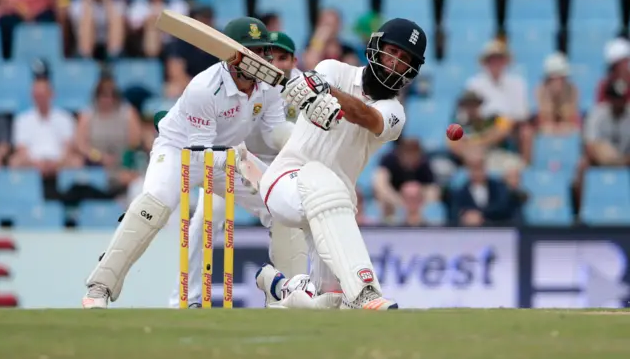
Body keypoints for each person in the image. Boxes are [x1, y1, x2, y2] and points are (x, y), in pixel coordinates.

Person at [81, 17, 300, 309]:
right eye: (253, 52)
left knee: (281, 202)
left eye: (263, 51)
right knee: (154, 205)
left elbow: (274, 133)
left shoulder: (269, 86)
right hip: (178, 150)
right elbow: (201, 151)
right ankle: (100, 286)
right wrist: (240, 161)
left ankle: (295, 292)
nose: (261, 59)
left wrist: (301, 143)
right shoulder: (204, 87)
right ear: (233, 56)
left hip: (228, 153)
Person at [255, 18, 428, 310]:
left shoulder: (395, 112)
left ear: (411, 70)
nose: (394, 62)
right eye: (391, 51)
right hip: (285, 182)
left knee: (330, 301)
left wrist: (328, 94)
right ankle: (365, 291)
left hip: (334, 208)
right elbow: (315, 86)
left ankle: (283, 288)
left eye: (403, 59)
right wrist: (309, 90)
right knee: (319, 177)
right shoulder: (333, 69)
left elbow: (366, 116)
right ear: (376, 47)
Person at [167, 31, 309, 308]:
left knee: (289, 216)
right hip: (234, 162)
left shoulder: (302, 89)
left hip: (279, 169)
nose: (277, 65)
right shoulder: (245, 80)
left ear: (295, 60)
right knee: (208, 215)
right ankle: (187, 297)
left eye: (284, 58)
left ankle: (288, 293)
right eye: (272, 57)